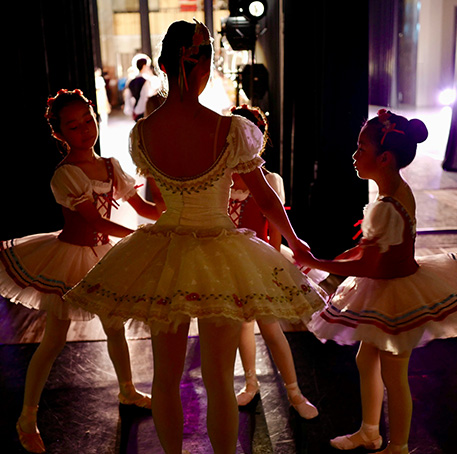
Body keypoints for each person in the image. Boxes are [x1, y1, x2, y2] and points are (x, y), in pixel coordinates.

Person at [64, 20, 327, 454]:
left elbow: (156, 200)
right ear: (203, 67)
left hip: (166, 248)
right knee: (219, 377)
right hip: (220, 250)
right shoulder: (229, 130)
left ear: (164, 67)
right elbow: (264, 197)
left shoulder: (142, 134)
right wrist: (296, 243)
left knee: (165, 379)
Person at [0, 89, 164, 453]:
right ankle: (27, 416)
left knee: (115, 326)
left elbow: (146, 207)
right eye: (73, 127)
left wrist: (174, 197)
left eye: (87, 121)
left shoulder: (110, 166)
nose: (84, 131)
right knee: (54, 340)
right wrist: (141, 236)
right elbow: (95, 221)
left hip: (103, 256)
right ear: (59, 134)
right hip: (69, 259)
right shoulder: (65, 175)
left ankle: (127, 391)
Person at [298, 109, 457, 454]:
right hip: (388, 289)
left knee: (394, 375)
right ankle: (370, 431)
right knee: (365, 359)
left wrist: (314, 262)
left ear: (383, 158)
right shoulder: (396, 193)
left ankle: (398, 446)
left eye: (361, 148)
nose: (354, 155)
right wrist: (329, 262)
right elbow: (366, 250)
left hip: (396, 295)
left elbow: (370, 265)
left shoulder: (386, 206)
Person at [228, 105, 321, 419]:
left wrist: (278, 263)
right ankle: (250, 383)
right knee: (242, 324)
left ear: (260, 140)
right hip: (224, 260)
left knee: (270, 327)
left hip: (257, 259)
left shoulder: (269, 179)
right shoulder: (221, 175)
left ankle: (294, 392)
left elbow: (273, 228)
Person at [124, 54, 162, 121]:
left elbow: (128, 98)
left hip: (136, 110)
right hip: (145, 111)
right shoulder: (146, 81)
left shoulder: (131, 82)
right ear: (144, 66)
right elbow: (145, 97)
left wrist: (133, 110)